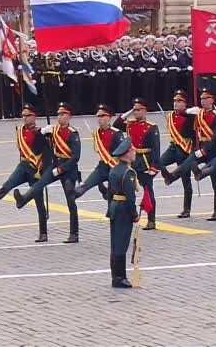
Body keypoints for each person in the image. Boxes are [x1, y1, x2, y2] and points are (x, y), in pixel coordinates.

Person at [14, 102, 81, 243]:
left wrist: (61, 169)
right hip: (56, 164)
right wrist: (42, 133)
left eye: (62, 114)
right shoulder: (53, 129)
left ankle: (74, 233)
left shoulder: (73, 133)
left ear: (69, 116)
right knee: (40, 183)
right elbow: (38, 148)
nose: (59, 117)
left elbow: (75, 157)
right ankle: (23, 198)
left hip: (68, 169)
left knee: (70, 199)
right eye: (58, 114)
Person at [0, 104, 50, 242]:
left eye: (27, 115)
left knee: (39, 201)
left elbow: (45, 153)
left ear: (34, 117)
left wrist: (44, 169)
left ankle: (43, 232)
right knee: (9, 183)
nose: (24, 118)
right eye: (23, 115)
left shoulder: (41, 132)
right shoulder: (20, 130)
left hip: (36, 168)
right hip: (23, 165)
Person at [161, 88, 216, 221]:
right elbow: (183, 118)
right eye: (201, 98)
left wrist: (204, 150)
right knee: (189, 161)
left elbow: (215, 137)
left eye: (206, 98)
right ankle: (173, 176)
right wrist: (190, 111)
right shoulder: (198, 113)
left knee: (215, 181)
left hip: (212, 150)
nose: (203, 101)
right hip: (200, 147)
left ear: (212, 100)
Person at [113, 98, 160, 230]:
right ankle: (129, 214)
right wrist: (129, 112)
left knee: (147, 190)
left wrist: (154, 166)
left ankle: (151, 219)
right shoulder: (130, 124)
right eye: (134, 109)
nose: (136, 112)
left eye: (138, 110)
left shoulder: (151, 127)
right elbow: (116, 124)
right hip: (131, 160)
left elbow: (156, 148)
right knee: (127, 188)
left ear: (145, 111)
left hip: (144, 160)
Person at [71, 104, 124, 200]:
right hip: (102, 166)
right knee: (82, 188)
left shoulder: (116, 133)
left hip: (114, 167)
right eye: (99, 116)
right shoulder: (97, 133)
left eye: (103, 116)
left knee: (112, 196)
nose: (100, 118)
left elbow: (123, 152)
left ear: (109, 117)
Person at [106, 137, 139, 288]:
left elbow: (109, 193)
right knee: (121, 243)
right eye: (132, 150)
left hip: (114, 207)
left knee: (115, 243)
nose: (135, 152)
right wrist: (134, 214)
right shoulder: (128, 173)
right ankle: (120, 278)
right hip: (124, 209)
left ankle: (116, 276)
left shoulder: (114, 169)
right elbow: (131, 198)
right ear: (126, 154)